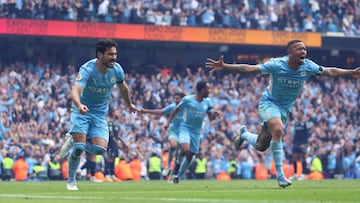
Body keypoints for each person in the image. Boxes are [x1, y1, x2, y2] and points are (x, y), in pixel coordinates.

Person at [205, 39, 360, 188]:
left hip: (285, 109)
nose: (303, 51)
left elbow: (329, 71)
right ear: (290, 52)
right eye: (299, 49)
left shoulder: (308, 66)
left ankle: (244, 135)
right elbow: (251, 69)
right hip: (269, 103)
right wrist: (225, 66)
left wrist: (351, 71)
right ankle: (281, 176)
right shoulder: (277, 64)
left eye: (304, 49)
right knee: (278, 130)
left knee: (261, 145)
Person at [59, 39, 138, 191]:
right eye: (110, 54)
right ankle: (71, 181)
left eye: (115, 54)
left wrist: (129, 104)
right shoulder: (87, 69)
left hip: (100, 114)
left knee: (100, 150)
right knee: (79, 148)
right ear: (100, 55)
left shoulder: (117, 70)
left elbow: (123, 88)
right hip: (81, 110)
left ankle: (73, 140)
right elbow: (75, 90)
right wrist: (79, 105)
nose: (114, 57)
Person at [165, 80, 220, 184]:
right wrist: (168, 122)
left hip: (196, 132)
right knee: (185, 149)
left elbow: (211, 118)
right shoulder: (187, 99)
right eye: (208, 88)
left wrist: (215, 115)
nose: (209, 90)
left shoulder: (208, 101)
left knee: (190, 155)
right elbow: (176, 110)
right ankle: (177, 166)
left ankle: (177, 176)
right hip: (185, 128)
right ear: (202, 90)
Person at [139, 91, 185, 178]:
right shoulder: (172, 107)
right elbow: (161, 112)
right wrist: (146, 111)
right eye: (175, 98)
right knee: (173, 144)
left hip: (183, 132)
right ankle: (168, 166)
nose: (175, 100)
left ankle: (175, 167)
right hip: (173, 130)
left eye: (177, 98)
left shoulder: (187, 108)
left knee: (180, 150)